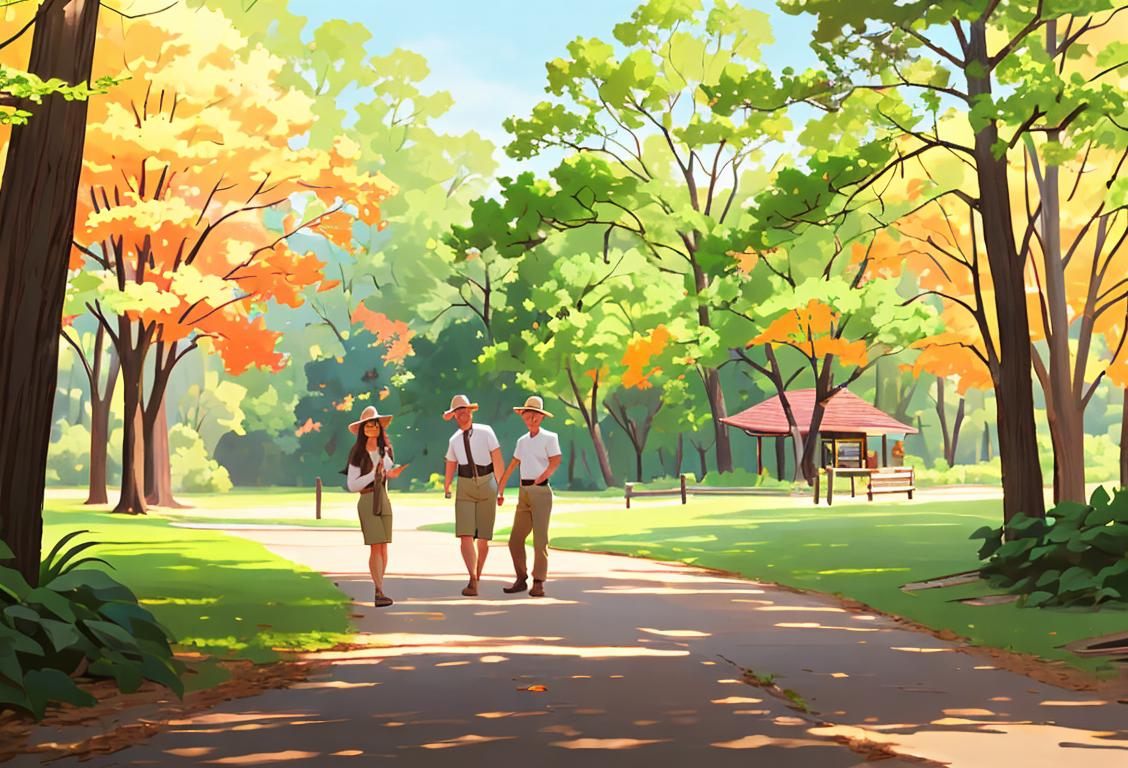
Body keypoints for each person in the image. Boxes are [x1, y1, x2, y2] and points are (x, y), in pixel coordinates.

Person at [497, 395, 561, 598]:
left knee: (540, 539)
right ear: (523, 416)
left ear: (541, 418)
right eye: (527, 415)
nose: (531, 419)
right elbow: (514, 464)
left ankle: (539, 582)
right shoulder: (522, 441)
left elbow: (555, 460)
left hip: (540, 491)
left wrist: (541, 477)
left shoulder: (550, 438)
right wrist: (501, 489)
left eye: (535, 416)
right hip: (523, 492)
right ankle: (521, 578)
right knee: (515, 540)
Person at [442, 394, 504, 597]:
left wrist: (500, 486)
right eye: (459, 412)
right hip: (465, 485)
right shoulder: (454, 440)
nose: (463, 414)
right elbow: (451, 463)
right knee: (465, 535)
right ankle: (472, 578)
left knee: (483, 538)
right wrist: (447, 484)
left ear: (471, 412)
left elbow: (497, 459)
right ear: (454, 416)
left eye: (465, 410)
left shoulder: (486, 432)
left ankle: (477, 574)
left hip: (487, 482)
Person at [345, 405, 406, 607]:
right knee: (375, 546)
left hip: (383, 498)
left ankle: (380, 586)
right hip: (368, 498)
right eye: (368, 426)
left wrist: (390, 471)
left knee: (383, 546)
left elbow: (389, 470)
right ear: (363, 429)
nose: (372, 429)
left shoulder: (385, 451)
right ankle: (378, 591)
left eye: (375, 426)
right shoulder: (357, 453)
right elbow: (352, 485)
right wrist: (374, 474)